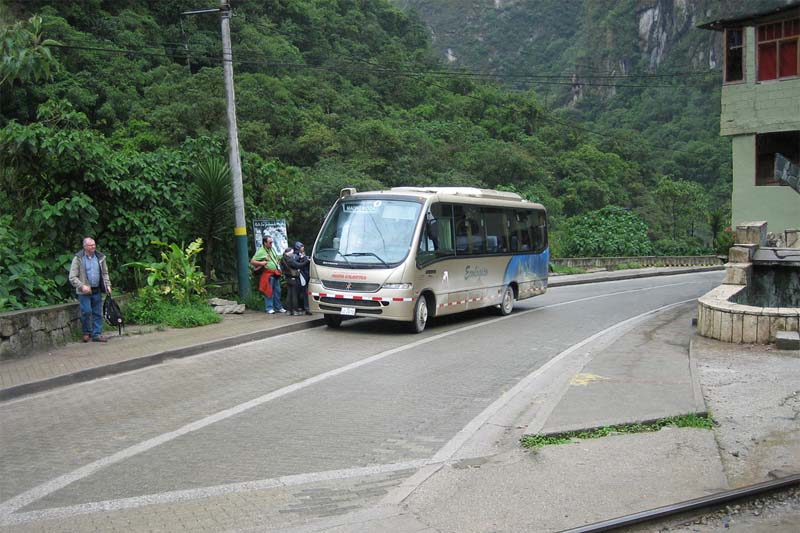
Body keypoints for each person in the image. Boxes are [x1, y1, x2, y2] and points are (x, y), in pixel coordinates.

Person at [69, 237, 112, 343]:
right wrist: (81, 286)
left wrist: (108, 285)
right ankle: (86, 332)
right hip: (84, 291)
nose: (93, 247)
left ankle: (96, 334)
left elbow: (105, 273)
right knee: (86, 311)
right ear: (84, 247)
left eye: (94, 244)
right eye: (90, 245)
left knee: (97, 313)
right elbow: (72, 277)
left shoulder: (100, 257)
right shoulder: (78, 259)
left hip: (96, 289)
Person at [250, 234, 285, 314]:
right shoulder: (261, 251)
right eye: (270, 243)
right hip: (268, 274)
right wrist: (262, 263)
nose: (271, 244)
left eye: (272, 242)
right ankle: (269, 308)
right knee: (269, 291)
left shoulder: (271, 249)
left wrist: (281, 257)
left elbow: (275, 257)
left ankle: (278, 307)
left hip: (275, 273)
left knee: (277, 291)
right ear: (265, 243)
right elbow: (252, 261)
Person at [279, 248, 304, 315]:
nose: (293, 254)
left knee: (289, 295)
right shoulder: (290, 260)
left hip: (288, 278)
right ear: (289, 253)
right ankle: (295, 310)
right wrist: (306, 261)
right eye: (292, 253)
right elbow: (298, 265)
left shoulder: (283, 259)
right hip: (293, 278)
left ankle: (289, 310)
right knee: (294, 295)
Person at [293, 241, 312, 315]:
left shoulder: (303, 254)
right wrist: (303, 259)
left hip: (306, 275)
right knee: (302, 293)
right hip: (300, 276)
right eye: (301, 246)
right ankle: (304, 308)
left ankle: (305, 307)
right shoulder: (295, 255)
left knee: (305, 292)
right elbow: (296, 262)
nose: (303, 248)